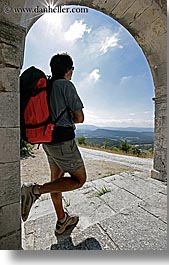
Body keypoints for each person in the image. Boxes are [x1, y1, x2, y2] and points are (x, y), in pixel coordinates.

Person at [21, 53, 87, 235]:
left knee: (56, 182)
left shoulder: (47, 86)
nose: (72, 72)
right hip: (63, 142)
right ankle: (33, 190)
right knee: (79, 180)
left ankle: (62, 221)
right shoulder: (66, 85)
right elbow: (80, 117)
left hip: (48, 140)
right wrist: (71, 116)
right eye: (72, 69)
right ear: (68, 70)